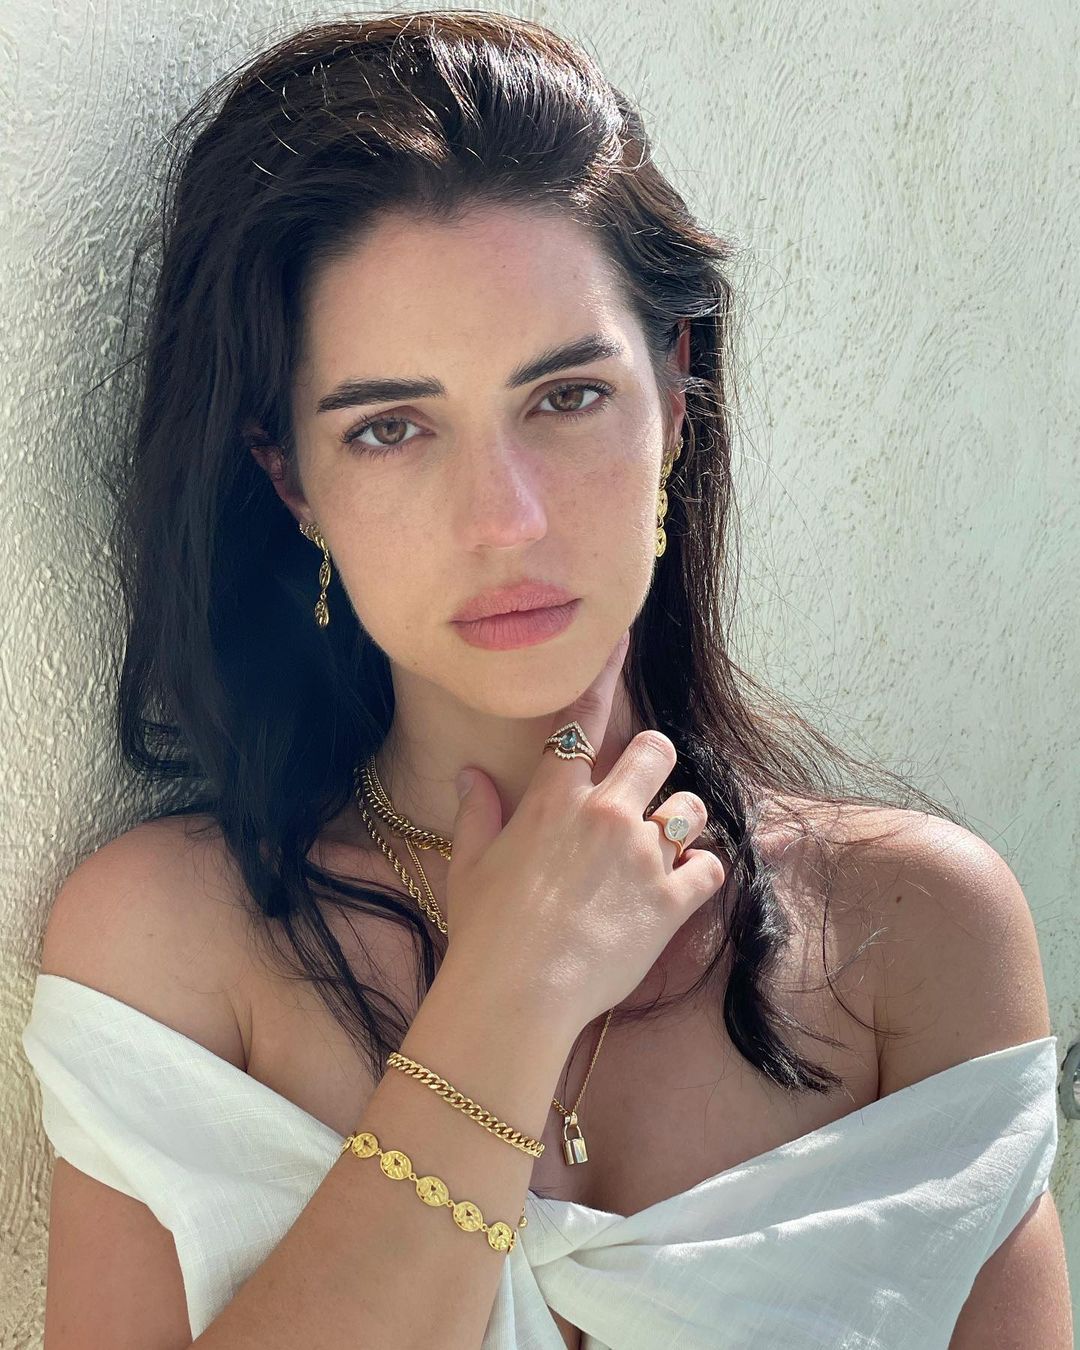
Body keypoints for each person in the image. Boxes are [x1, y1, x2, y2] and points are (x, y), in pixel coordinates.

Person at [21, 10, 1070, 1350]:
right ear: (292, 482)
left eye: (565, 396)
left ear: (675, 402)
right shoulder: (173, 944)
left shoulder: (912, 929)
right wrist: (506, 1001)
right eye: (390, 428)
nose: (503, 519)